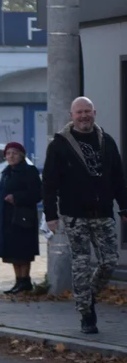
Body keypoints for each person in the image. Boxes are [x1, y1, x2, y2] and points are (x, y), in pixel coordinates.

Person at [42, 96, 127, 334]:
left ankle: (87, 297)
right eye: (79, 112)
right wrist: (51, 214)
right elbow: (49, 183)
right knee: (80, 264)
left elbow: (118, 178)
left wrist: (124, 206)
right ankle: (86, 315)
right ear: (72, 115)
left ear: (94, 113)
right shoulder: (59, 144)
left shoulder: (107, 141)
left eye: (87, 111)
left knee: (109, 261)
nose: (83, 116)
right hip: (74, 215)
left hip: (103, 213)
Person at [0, 141, 42, 294]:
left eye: (14, 153)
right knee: (11, 252)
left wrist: (17, 198)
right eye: (8, 153)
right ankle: (18, 282)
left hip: (23, 218)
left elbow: (37, 194)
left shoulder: (29, 171)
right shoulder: (6, 172)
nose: (11, 156)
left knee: (23, 251)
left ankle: (25, 280)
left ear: (21, 155)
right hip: (8, 218)